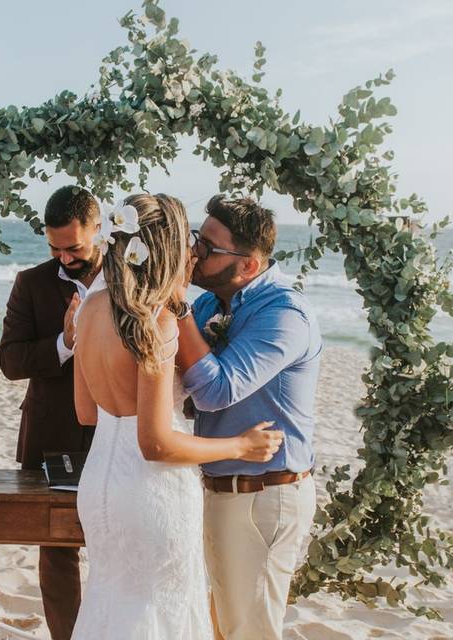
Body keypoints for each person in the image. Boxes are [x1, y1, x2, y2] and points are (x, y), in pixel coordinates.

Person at [70, 193, 283, 639]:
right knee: (157, 609)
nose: (193, 252)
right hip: (151, 492)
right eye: (188, 240)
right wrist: (241, 445)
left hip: (99, 488)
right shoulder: (156, 322)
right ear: (167, 248)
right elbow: (155, 443)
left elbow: (86, 413)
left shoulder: (89, 310)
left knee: (110, 600)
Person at [172, 195, 323, 640]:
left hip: (263, 494)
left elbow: (216, 391)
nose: (195, 252)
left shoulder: (283, 315)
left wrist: (175, 305)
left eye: (209, 248)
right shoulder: (209, 306)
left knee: (250, 631)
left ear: (249, 266)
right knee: (223, 627)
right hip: (221, 488)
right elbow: (186, 388)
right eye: (198, 239)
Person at [0, 185, 105, 640]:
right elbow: (10, 361)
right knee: (57, 550)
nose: (64, 258)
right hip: (51, 435)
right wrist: (65, 343)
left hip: (116, 433)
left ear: (98, 230)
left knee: (114, 543)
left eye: (74, 247)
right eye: (55, 248)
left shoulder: (130, 277)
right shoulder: (31, 283)